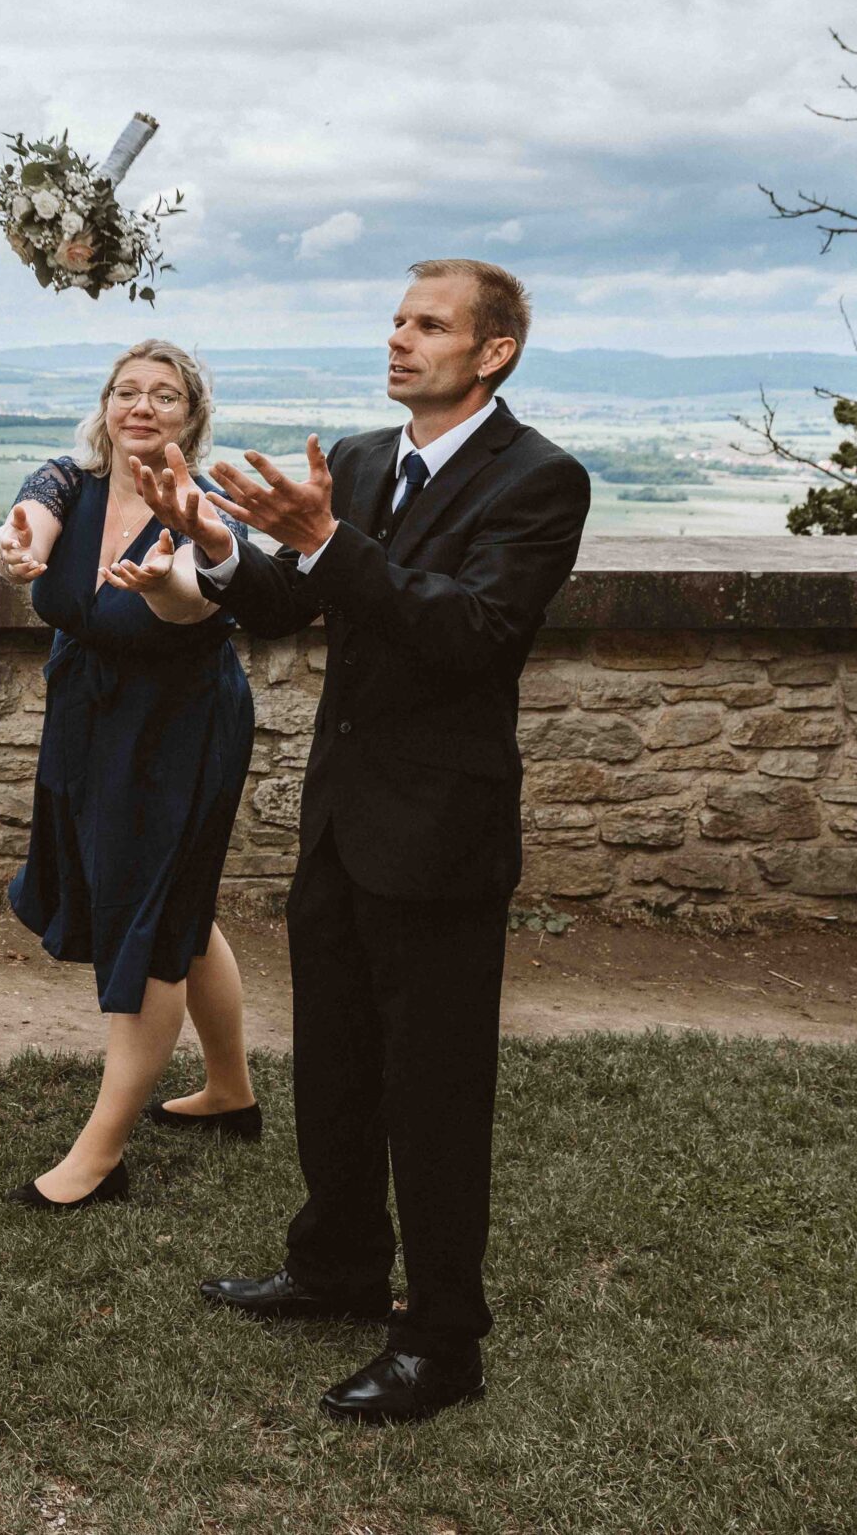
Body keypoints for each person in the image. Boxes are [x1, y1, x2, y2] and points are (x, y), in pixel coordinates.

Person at [139, 258, 590, 1424]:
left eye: (427, 326)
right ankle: (336, 1267)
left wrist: (330, 545)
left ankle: (442, 1341)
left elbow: (473, 635)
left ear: (491, 352)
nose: (398, 341)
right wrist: (223, 548)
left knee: (432, 1092)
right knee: (336, 1065)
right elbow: (293, 607)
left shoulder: (538, 481)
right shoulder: (358, 459)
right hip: (341, 818)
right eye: (395, 321)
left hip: (441, 831)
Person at [0, 340, 259, 1211]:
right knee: (179, 906)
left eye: (165, 395)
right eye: (127, 390)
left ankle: (100, 1156)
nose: (142, 406)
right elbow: (28, 528)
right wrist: (12, 549)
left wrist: (158, 586)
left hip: (180, 730)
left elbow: (194, 593)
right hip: (90, 718)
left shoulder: (206, 502)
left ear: (193, 416)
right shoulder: (68, 479)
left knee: (147, 922)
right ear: (106, 403)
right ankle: (229, 1092)